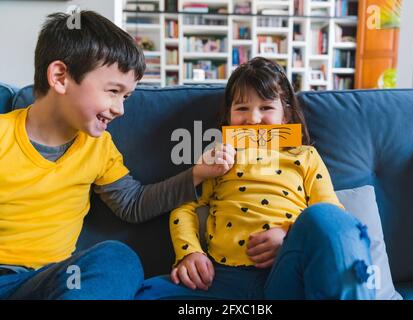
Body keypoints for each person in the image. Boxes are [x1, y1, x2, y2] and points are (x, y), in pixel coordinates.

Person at [0, 11, 235, 300]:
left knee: (118, 258)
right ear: (60, 77)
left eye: (125, 97)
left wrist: (197, 174)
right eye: (113, 91)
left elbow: (133, 204)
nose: (120, 109)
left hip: (55, 281)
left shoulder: (98, 147)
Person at [136, 57, 375, 300]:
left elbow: (329, 213)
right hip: (224, 278)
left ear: (286, 115)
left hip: (286, 271)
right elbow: (185, 207)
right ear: (228, 117)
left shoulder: (305, 156)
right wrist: (189, 253)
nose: (253, 118)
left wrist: (288, 234)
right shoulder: (219, 158)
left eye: (266, 107)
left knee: (327, 217)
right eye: (242, 108)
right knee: (148, 292)